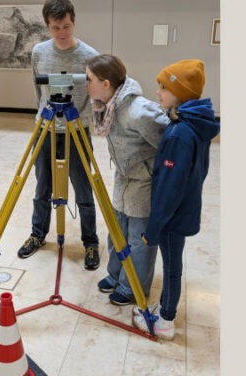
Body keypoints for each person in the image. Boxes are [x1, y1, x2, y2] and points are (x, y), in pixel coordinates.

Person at [132, 59, 220, 339]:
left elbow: (169, 189)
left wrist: (155, 227)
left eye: (163, 87)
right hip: (184, 208)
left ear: (180, 93)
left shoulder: (180, 134)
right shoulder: (193, 123)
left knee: (171, 267)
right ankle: (165, 307)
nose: (157, 92)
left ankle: (166, 320)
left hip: (173, 215)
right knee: (173, 263)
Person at [17, 0, 101, 270]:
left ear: (73, 21)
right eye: (56, 27)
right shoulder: (39, 52)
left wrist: (83, 121)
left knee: (83, 188)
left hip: (77, 130)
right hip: (46, 127)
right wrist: (43, 115)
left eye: (66, 26)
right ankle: (38, 234)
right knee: (42, 186)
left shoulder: (89, 55)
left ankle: (90, 242)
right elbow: (36, 90)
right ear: (47, 26)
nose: (62, 33)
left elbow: (93, 96)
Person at [85, 54, 170, 305]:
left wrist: (154, 171)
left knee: (139, 238)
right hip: (124, 177)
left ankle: (133, 286)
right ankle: (116, 274)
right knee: (117, 230)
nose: (85, 83)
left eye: (89, 79)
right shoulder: (108, 106)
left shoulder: (138, 111)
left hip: (143, 181)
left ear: (106, 84)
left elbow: (170, 142)